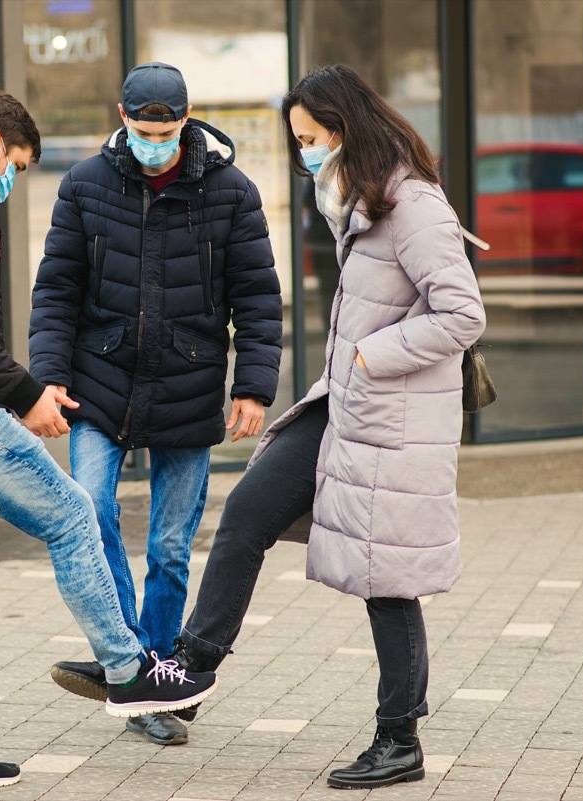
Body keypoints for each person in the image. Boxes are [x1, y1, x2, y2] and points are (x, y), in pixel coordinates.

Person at [0, 87, 218, 796]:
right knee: (74, 514)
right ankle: (127, 671)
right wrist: (24, 393)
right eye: (15, 166)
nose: (11, 181)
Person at [169, 64, 488, 789]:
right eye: (298, 141)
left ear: (346, 130)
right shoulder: (362, 202)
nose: (303, 153)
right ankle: (192, 667)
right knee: (247, 511)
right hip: (344, 406)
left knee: (387, 578)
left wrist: (374, 353)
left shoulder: (412, 204)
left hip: (393, 420)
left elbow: (462, 313)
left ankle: (399, 739)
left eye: (310, 139)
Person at [29, 62, 283, 746]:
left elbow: (258, 297)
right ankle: (132, 662)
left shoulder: (231, 192)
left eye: (166, 134)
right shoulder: (84, 185)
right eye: (143, 131)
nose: (154, 144)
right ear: (123, 118)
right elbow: (55, 291)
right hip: (99, 382)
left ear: (187, 119)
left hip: (188, 385)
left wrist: (254, 386)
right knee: (90, 513)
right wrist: (46, 377)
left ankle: (158, 673)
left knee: (170, 546)